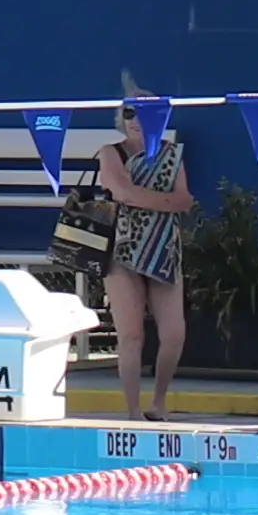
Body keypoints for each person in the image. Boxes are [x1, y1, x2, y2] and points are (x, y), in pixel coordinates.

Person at [81, 108, 193, 419]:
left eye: (143, 114)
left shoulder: (172, 155)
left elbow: (185, 200)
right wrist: (164, 202)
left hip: (163, 248)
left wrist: (152, 200)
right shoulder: (111, 153)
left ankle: (158, 401)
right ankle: (132, 410)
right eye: (128, 113)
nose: (134, 120)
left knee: (174, 333)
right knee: (130, 335)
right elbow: (122, 193)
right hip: (123, 248)